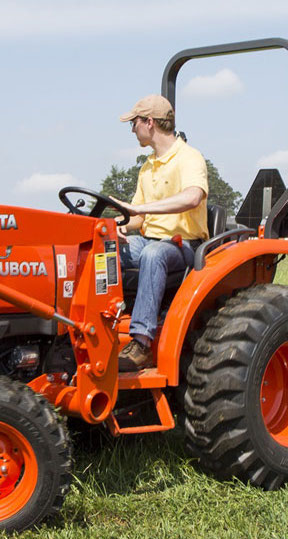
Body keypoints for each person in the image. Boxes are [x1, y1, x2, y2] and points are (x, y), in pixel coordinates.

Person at [113, 94, 209, 372]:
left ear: (150, 122)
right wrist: (115, 227)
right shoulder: (147, 166)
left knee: (154, 254)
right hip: (147, 240)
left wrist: (142, 207)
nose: (132, 130)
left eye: (134, 123)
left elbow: (192, 197)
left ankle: (141, 343)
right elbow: (138, 217)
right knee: (105, 250)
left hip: (182, 246)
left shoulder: (189, 158)